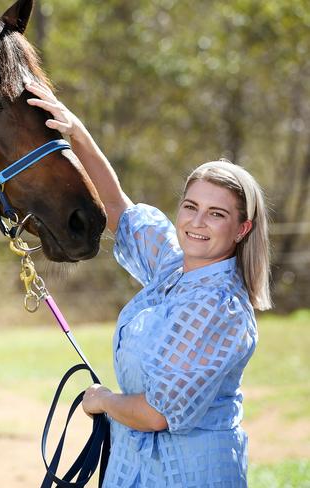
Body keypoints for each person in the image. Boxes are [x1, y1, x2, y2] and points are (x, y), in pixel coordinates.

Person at [26, 81, 271, 487]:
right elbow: (120, 209)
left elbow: (157, 414)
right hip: (134, 471)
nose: (196, 222)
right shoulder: (173, 267)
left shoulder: (219, 306)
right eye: (191, 207)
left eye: (216, 214)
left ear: (242, 228)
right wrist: (76, 133)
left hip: (192, 476)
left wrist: (102, 400)